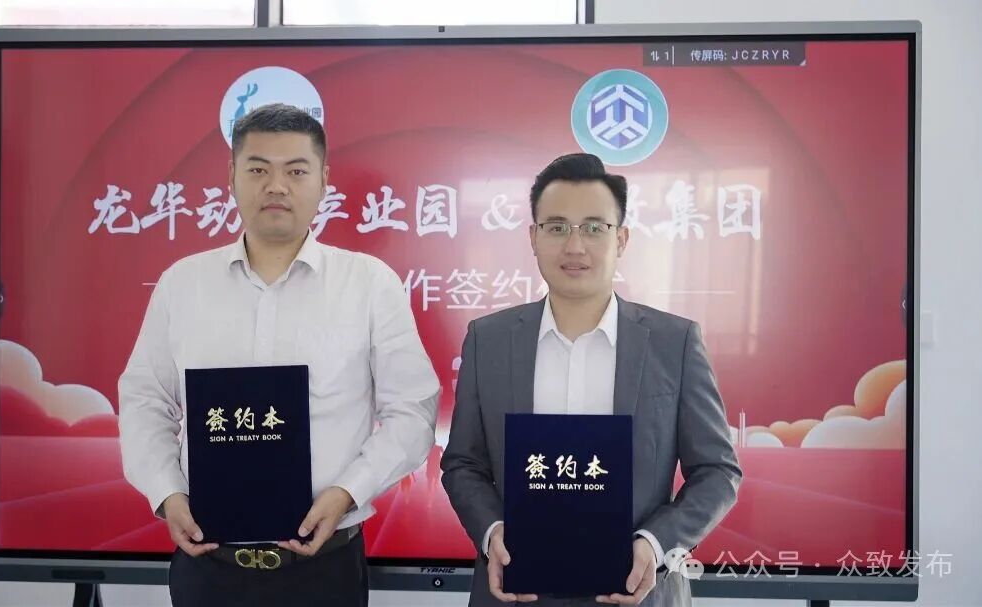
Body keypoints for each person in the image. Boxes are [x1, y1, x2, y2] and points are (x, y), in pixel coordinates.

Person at [119, 103, 441, 607]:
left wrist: (348, 492)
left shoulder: (369, 284)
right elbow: (145, 400)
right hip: (208, 570)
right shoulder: (182, 284)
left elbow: (412, 411)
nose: (276, 186)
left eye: (295, 171)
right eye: (257, 170)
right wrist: (166, 492)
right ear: (231, 177)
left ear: (323, 180)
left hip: (324, 571)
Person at [442, 153, 742, 606]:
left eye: (594, 227)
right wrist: (492, 531)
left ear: (621, 238)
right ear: (533, 237)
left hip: (637, 591)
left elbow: (718, 472)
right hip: (517, 592)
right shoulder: (489, 340)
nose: (575, 246)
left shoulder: (674, 342)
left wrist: (657, 544)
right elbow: (463, 463)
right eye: (557, 227)